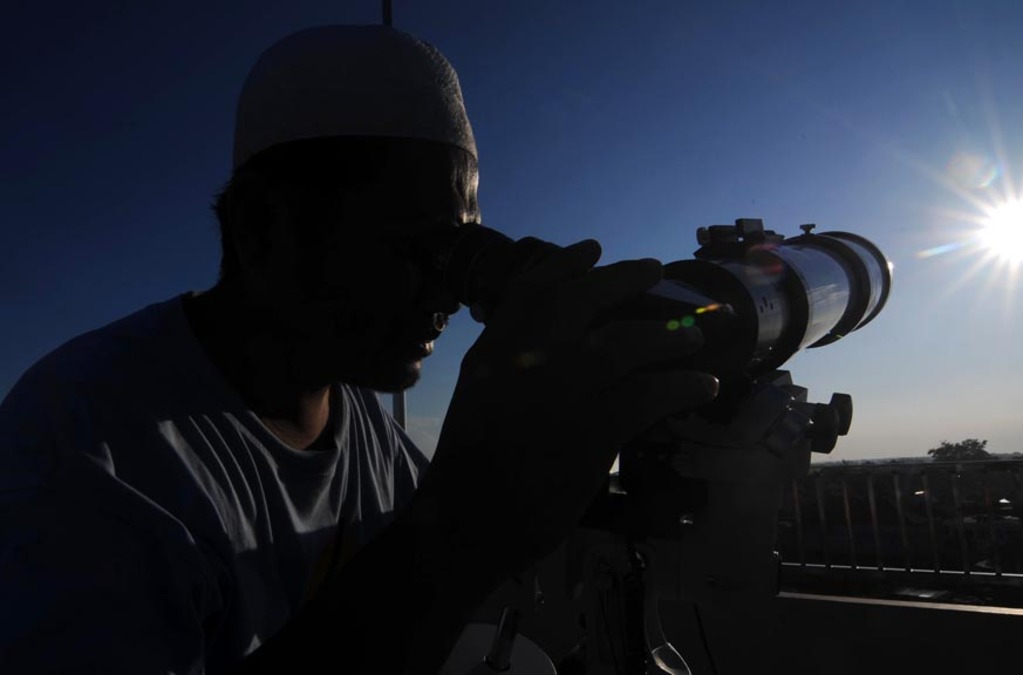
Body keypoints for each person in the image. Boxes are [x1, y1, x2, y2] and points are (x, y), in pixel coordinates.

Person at [0, 25, 718, 674]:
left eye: (466, 249)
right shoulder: (82, 441)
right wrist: (463, 534)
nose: (449, 293)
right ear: (261, 226)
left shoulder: (370, 431)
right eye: (419, 246)